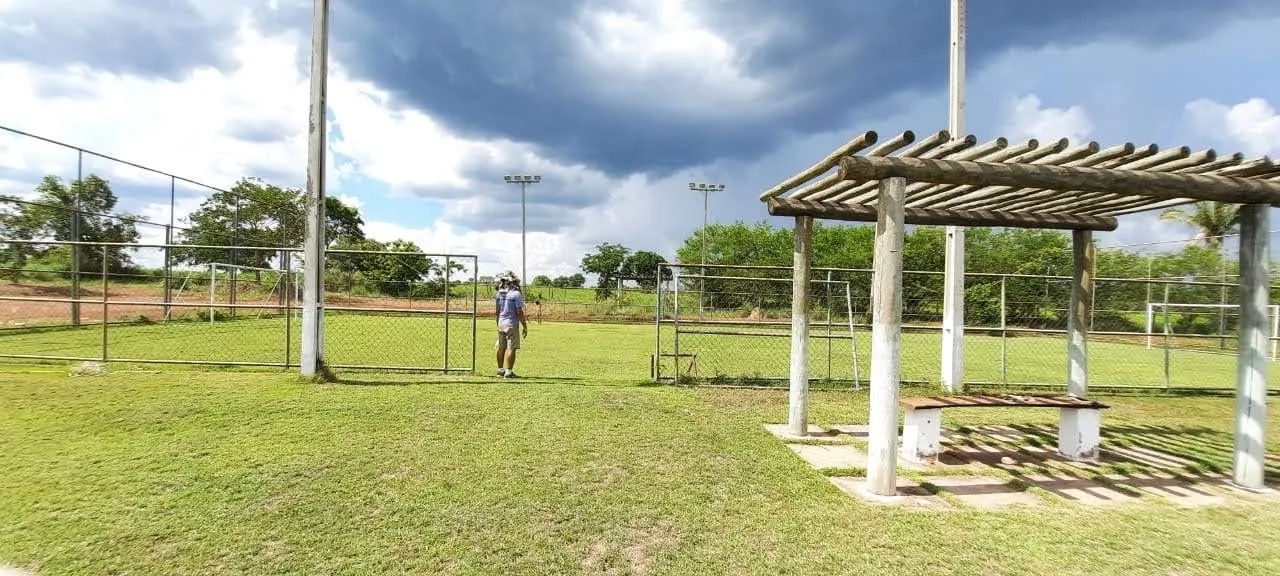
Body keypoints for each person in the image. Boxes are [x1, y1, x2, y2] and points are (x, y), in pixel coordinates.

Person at [494, 271, 528, 378]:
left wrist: (498, 323)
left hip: (501, 323)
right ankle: (509, 372)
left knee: (501, 347)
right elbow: (520, 312)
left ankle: (500, 370)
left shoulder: (499, 294)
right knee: (511, 348)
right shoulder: (516, 294)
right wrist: (524, 325)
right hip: (511, 324)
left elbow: (497, 311)